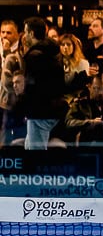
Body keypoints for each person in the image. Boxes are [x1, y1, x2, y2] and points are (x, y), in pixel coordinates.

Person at [20, 16, 66, 149]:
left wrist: (25, 103)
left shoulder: (35, 56)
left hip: (40, 111)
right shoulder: (52, 51)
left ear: (31, 33)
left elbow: (33, 86)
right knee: (29, 146)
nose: (24, 36)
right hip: (51, 108)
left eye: (26, 32)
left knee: (36, 152)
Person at [59, 33, 90, 98]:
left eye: (68, 44)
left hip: (76, 98)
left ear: (74, 46)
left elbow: (82, 85)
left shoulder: (83, 64)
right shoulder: (56, 62)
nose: (65, 47)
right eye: (62, 44)